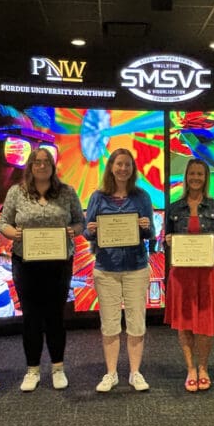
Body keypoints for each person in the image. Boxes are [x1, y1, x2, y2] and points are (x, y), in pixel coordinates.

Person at [0, 147, 84, 392]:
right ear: (30, 166)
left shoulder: (67, 192)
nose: (42, 166)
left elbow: (80, 222)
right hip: (26, 263)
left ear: (53, 166)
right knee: (31, 318)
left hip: (59, 263)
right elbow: (4, 222)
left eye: (46, 162)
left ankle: (58, 368)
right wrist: (11, 232)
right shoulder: (17, 192)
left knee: (56, 316)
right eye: (37, 162)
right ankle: (32, 370)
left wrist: (74, 231)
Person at [83, 148, 156, 392]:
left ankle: (135, 372)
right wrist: (91, 229)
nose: (123, 169)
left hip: (136, 267)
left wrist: (145, 226)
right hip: (106, 269)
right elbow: (86, 231)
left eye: (127, 165)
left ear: (133, 169)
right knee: (110, 323)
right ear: (111, 167)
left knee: (136, 322)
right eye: (119, 164)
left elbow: (150, 234)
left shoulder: (142, 196)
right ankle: (111, 373)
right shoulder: (97, 197)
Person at [164, 158, 214, 392]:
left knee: (205, 322)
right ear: (186, 176)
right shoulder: (173, 207)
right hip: (182, 275)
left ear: (205, 178)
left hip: (207, 273)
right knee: (185, 323)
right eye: (192, 173)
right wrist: (168, 241)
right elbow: (166, 240)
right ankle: (190, 368)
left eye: (200, 174)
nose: (195, 178)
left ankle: (204, 367)